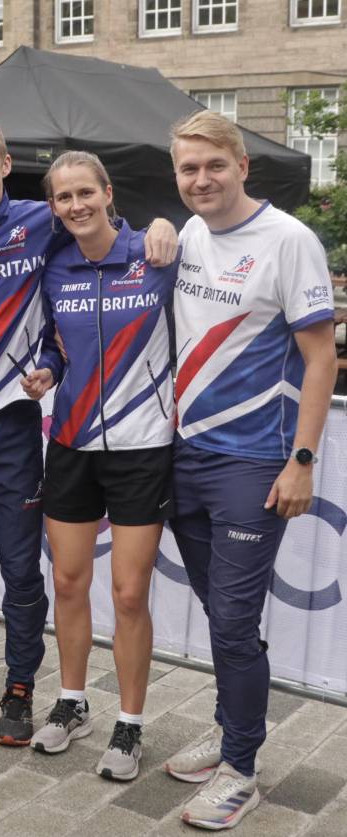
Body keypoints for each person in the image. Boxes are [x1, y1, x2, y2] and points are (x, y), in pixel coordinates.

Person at [0, 112, 177, 746]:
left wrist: (161, 223)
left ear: (6, 164)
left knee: (22, 569)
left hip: (12, 427)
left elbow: (99, 237)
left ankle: (22, 686)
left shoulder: (42, 222)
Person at [161, 111, 336, 830]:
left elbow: (321, 358)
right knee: (220, 613)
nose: (201, 179)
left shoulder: (289, 240)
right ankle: (233, 727)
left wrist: (302, 460)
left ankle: (241, 768)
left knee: (233, 622)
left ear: (242, 166)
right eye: (188, 168)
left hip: (254, 461)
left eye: (214, 166)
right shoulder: (189, 232)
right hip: (183, 456)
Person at [20, 151, 176, 781]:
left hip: (142, 446)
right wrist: (46, 371)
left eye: (86, 192)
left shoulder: (155, 254)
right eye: (64, 197)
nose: (76, 205)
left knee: (130, 593)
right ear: (53, 207)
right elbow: (55, 344)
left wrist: (165, 223)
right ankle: (73, 702)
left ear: (108, 193)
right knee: (67, 583)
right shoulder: (56, 265)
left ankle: (131, 722)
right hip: (72, 442)